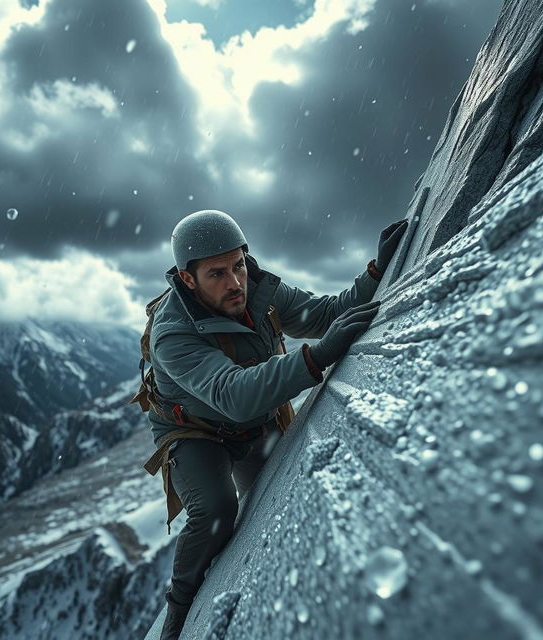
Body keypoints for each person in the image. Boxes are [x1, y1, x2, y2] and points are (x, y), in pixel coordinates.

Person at [147, 210, 407, 639]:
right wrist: (316, 357)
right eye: (217, 273)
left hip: (254, 421)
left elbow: (322, 315)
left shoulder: (257, 288)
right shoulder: (172, 333)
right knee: (215, 509)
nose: (234, 281)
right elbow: (232, 394)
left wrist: (376, 272)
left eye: (237, 265)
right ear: (187, 279)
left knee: (278, 488)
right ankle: (179, 606)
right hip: (196, 432)